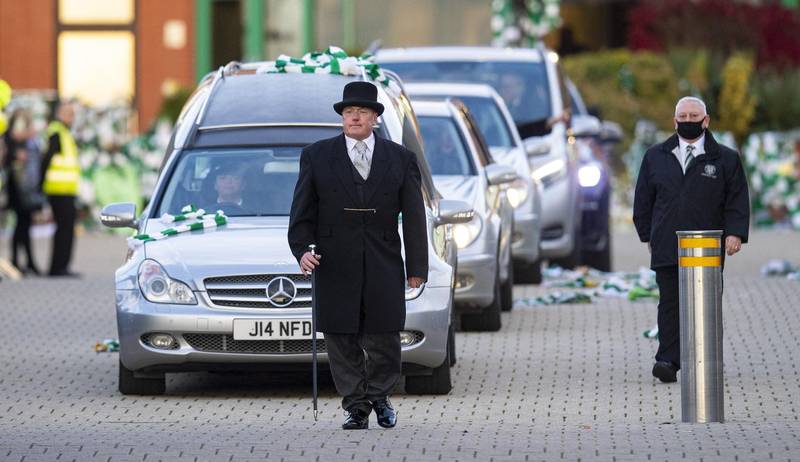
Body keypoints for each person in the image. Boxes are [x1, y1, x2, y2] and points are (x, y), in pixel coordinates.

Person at [288, 81, 428, 430]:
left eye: (362, 112)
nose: (354, 117)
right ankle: (356, 406)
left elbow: (414, 217)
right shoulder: (317, 155)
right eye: (348, 112)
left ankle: (380, 395)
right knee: (340, 335)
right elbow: (301, 213)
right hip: (334, 261)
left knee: (384, 334)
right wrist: (302, 251)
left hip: (383, 259)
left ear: (375, 118)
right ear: (341, 118)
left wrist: (417, 267)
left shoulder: (401, 158)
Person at [633, 96, 750, 383]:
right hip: (666, 243)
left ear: (706, 121)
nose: (687, 121)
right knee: (670, 302)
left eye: (693, 116)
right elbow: (643, 200)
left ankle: (706, 360)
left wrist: (734, 233)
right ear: (674, 122)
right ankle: (667, 360)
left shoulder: (725, 159)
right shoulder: (655, 156)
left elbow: (736, 200)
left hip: (706, 244)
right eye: (682, 117)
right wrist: (648, 233)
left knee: (705, 303)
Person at [40, 100, 81, 277]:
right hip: (59, 190)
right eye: (69, 113)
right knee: (64, 230)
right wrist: (39, 186)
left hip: (66, 189)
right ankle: (58, 268)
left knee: (65, 229)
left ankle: (60, 266)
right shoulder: (57, 132)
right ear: (60, 114)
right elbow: (47, 160)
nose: (73, 117)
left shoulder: (63, 132)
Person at [3, 108, 44, 275]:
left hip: (26, 187)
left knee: (25, 224)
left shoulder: (27, 140)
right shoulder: (11, 138)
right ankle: (18, 261)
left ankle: (25, 261)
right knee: (21, 224)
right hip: (18, 187)